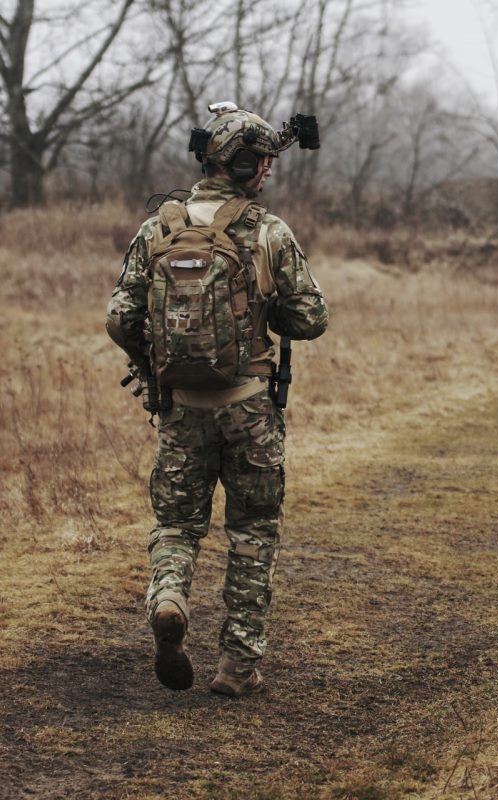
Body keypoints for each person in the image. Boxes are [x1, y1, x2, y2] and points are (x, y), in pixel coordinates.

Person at [106, 103, 329, 697]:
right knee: (253, 530)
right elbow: (311, 318)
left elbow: (119, 314)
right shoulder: (266, 231)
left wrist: (152, 368)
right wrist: (268, 310)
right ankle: (237, 667)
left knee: (177, 524)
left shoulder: (159, 227)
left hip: (180, 407)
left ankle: (171, 596)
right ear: (249, 166)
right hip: (250, 406)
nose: (270, 173)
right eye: (266, 163)